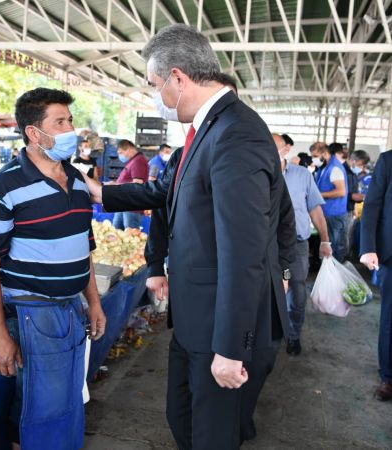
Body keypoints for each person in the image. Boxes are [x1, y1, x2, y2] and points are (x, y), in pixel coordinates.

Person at [83, 24, 296, 449]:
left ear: (178, 78)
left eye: (156, 85)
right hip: (197, 315)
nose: (156, 97)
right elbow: (166, 193)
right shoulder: (206, 132)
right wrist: (98, 191)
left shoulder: (236, 134)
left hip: (221, 324)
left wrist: (231, 348)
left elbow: (243, 250)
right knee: (182, 416)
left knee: (211, 432)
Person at [0, 87, 106, 449]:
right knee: (38, 406)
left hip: (71, 310)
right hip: (33, 313)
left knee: (67, 400)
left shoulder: (78, 180)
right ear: (34, 133)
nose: (71, 129)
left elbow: (84, 246)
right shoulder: (3, 186)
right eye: (60, 122)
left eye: (70, 120)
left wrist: (93, 301)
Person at [273, 133, 331, 356]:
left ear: (285, 150)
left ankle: (293, 335)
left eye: (273, 147)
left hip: (294, 248)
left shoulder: (302, 176)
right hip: (265, 247)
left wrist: (324, 240)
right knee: (260, 291)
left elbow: (315, 209)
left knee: (295, 290)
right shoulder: (255, 173)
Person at [360, 150, 392, 401]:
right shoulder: (388, 160)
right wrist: (368, 247)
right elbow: (372, 204)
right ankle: (388, 376)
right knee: (390, 317)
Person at [311, 142, 347, 261]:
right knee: (326, 248)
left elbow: (341, 191)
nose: (314, 159)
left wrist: (319, 195)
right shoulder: (325, 167)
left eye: (315, 156)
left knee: (331, 249)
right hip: (327, 213)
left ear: (325, 153)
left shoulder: (334, 168)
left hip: (334, 215)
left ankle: (333, 277)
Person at [111, 139, 149, 230]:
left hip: (132, 205)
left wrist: (118, 186)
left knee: (131, 234)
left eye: (121, 152)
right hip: (123, 203)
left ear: (129, 149)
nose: (120, 156)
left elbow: (138, 183)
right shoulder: (133, 161)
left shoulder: (138, 161)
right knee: (116, 231)